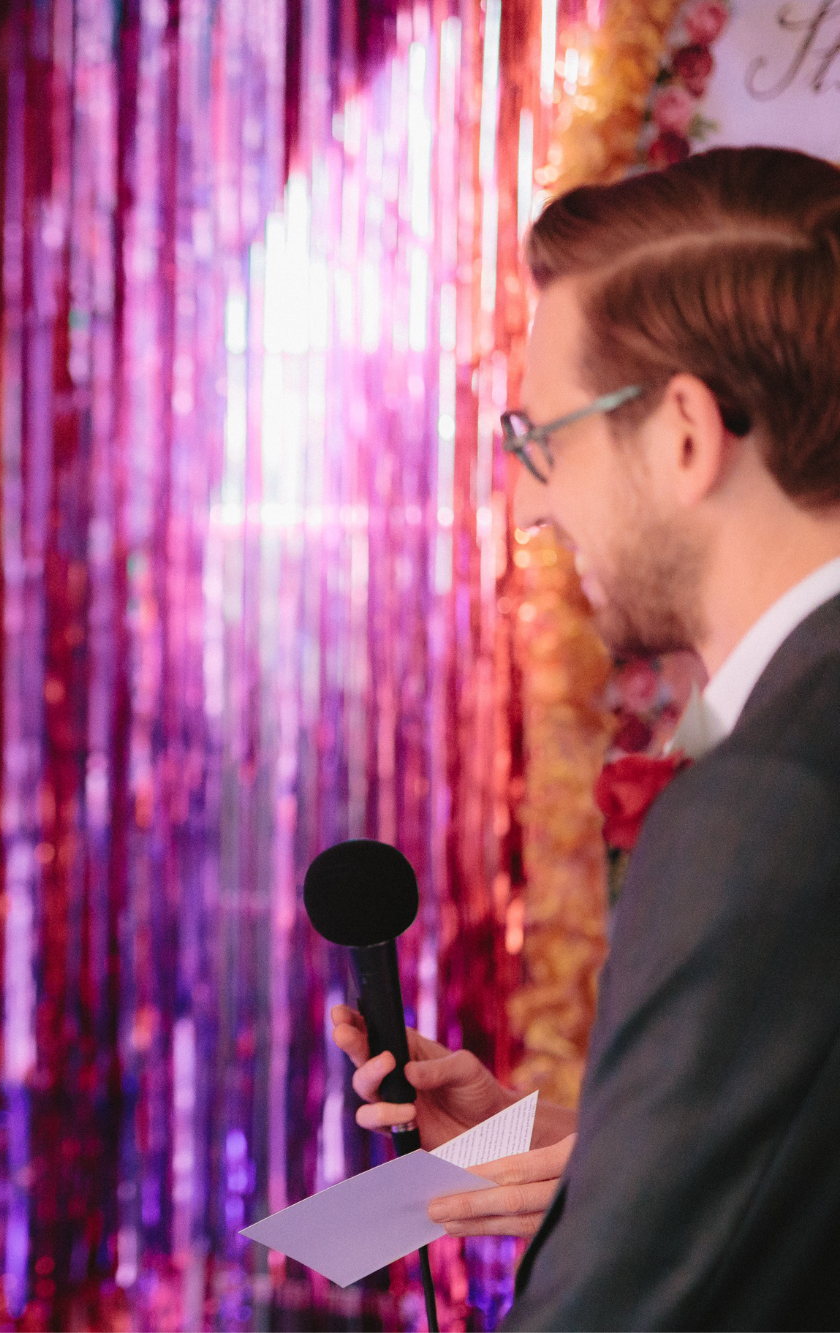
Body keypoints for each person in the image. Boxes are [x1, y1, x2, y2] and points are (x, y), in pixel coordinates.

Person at [335, 145, 840, 1327]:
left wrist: (621, 1210)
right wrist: (605, 1154)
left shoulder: (765, 799)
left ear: (679, 433)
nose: (528, 503)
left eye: (537, 437)